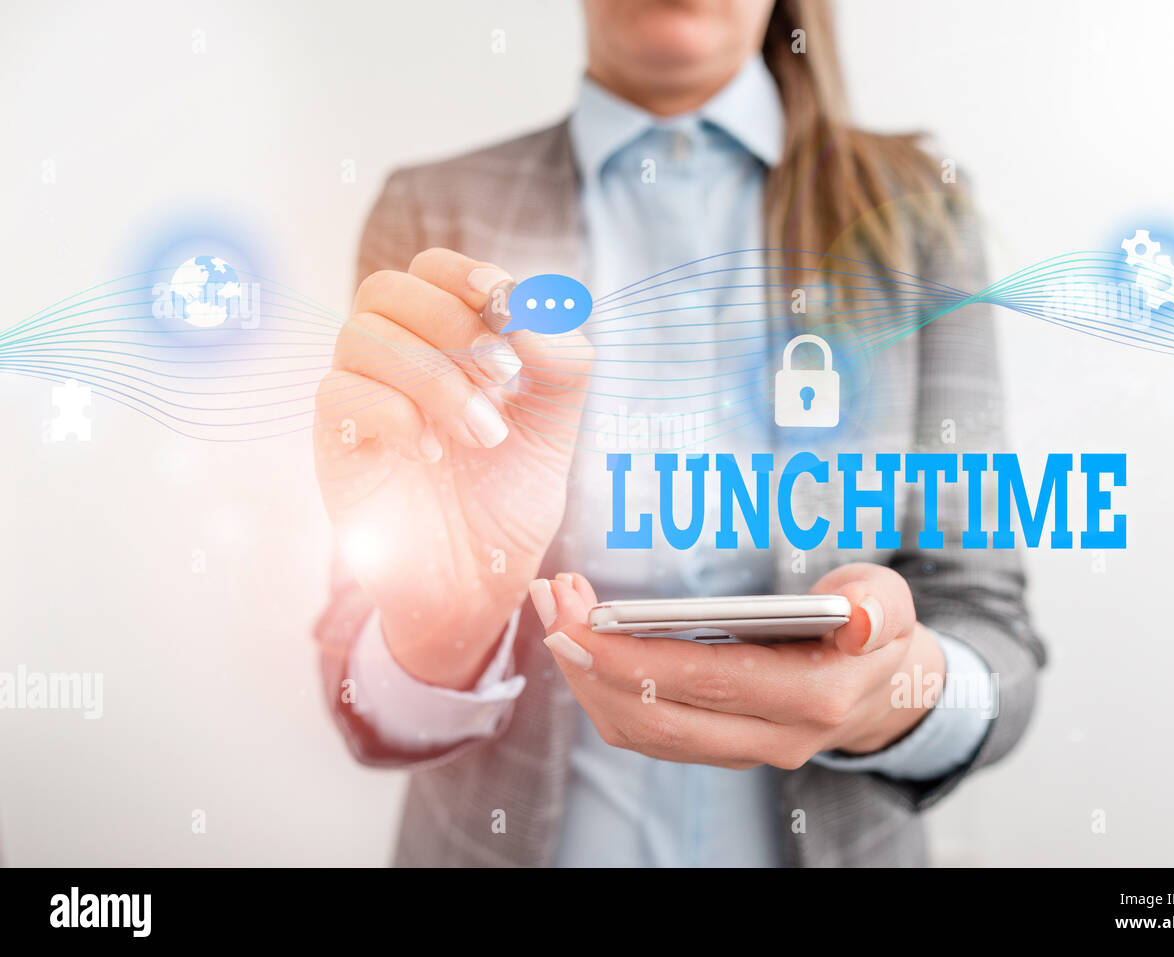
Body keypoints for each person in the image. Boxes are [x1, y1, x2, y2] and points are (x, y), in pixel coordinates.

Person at [312, 0, 1044, 867]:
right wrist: (441, 625)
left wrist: (893, 691)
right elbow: (358, 686)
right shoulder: (434, 213)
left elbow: (993, 632)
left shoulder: (920, 212)